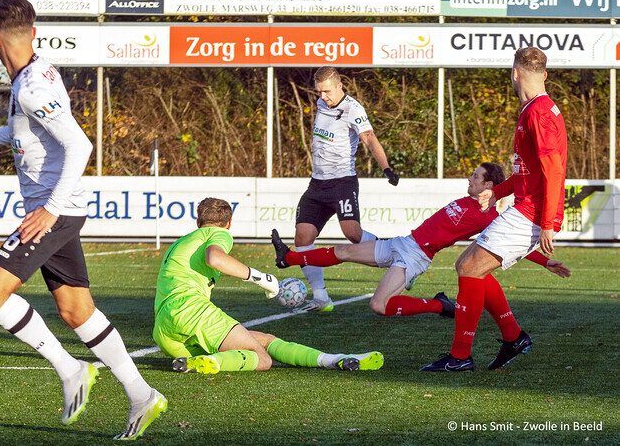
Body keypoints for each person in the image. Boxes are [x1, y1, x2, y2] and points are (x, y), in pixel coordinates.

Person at [0, 0, 165, 440]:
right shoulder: (38, 72)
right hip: (61, 211)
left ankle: (71, 369)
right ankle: (141, 393)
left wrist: (49, 210)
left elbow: (80, 146)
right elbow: (25, 127)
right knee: (76, 311)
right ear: (31, 33)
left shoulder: (31, 86)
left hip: (54, 212)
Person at [421, 47, 568, 372]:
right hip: (528, 208)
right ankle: (513, 338)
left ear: (515, 73)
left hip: (531, 213)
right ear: (543, 74)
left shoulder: (538, 113)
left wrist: (547, 223)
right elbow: (528, 173)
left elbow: (553, 170)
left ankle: (461, 357)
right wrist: (495, 190)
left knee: (470, 267)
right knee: (470, 265)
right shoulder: (536, 108)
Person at [272, 163, 570, 322]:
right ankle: (289, 257)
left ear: (489, 185)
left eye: (476, 176)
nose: (470, 177)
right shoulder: (468, 200)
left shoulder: (488, 216)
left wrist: (547, 261)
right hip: (405, 242)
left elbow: (509, 245)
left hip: (414, 257)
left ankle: (438, 306)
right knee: (345, 250)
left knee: (379, 305)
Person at [153, 197, 384, 374]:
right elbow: (215, 258)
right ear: (228, 223)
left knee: (263, 339)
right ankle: (213, 362)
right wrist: (261, 278)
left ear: (197, 221)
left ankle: (333, 359)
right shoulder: (217, 233)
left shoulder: (183, 241)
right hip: (192, 312)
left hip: (165, 330)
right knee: (262, 359)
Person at [293, 66, 399, 312]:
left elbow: (370, 138)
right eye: (319, 92)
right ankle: (321, 297)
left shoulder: (353, 108)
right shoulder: (321, 104)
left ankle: (396, 255)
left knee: (352, 232)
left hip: (342, 182)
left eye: (327, 92)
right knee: (302, 237)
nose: (323, 97)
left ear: (340, 86)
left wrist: (386, 168)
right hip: (317, 184)